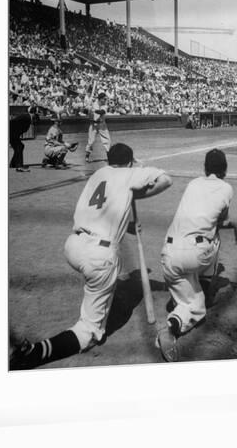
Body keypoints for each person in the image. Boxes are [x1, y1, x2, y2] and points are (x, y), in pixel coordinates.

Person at [10, 143, 172, 369]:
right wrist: (138, 188)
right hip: (99, 255)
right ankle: (35, 352)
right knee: (90, 331)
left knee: (101, 268)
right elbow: (166, 179)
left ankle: (97, 285)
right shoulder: (130, 172)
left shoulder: (98, 174)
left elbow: (105, 206)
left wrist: (128, 206)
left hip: (74, 246)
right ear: (128, 161)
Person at [158, 148, 237, 361]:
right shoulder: (226, 188)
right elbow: (217, 223)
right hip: (196, 255)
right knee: (196, 308)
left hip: (168, 255)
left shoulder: (193, 184)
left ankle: (197, 288)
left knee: (187, 286)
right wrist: (233, 223)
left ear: (204, 168)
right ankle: (170, 328)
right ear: (225, 169)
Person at [85, 92, 111, 163]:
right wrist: (87, 108)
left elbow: (101, 112)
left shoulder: (105, 105)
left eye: (105, 99)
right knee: (91, 141)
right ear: (100, 99)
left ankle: (109, 157)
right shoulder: (93, 103)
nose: (105, 100)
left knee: (107, 140)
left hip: (102, 125)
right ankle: (87, 156)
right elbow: (86, 111)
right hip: (93, 124)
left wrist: (94, 110)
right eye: (104, 99)